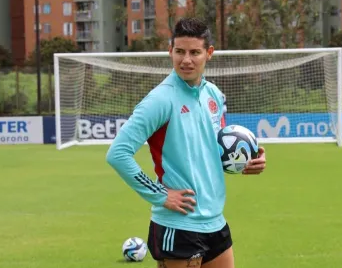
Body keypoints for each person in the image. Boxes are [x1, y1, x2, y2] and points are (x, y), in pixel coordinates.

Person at [106, 17, 267, 268]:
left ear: (209, 53)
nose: (186, 60)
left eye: (194, 52)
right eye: (179, 51)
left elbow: (214, 149)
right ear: (170, 51)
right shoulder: (159, 100)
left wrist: (246, 160)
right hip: (178, 225)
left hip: (215, 221)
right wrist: (159, 195)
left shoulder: (214, 94)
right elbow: (118, 153)